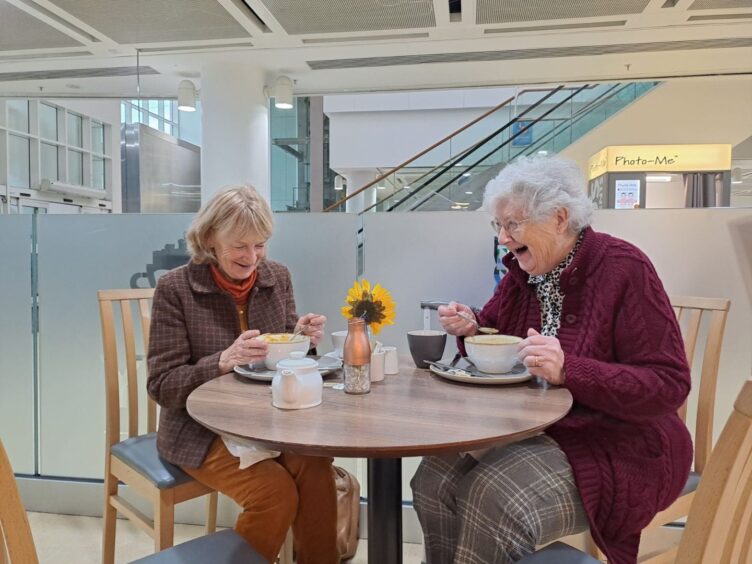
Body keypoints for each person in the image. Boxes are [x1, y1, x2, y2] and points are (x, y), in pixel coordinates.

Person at [411, 156, 692, 564]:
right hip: (538, 431)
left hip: (618, 443)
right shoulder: (524, 275)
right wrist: (471, 327)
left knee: (493, 497)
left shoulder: (623, 268)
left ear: (559, 218)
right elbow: (495, 329)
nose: (503, 238)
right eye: (498, 225)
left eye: (513, 224)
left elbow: (668, 384)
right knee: (432, 479)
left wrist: (569, 370)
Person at [147, 185, 338, 564]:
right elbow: (162, 384)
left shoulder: (276, 277)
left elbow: (284, 358)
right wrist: (221, 361)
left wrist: (302, 340)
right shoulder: (175, 289)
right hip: (198, 430)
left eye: (260, 244)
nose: (252, 257)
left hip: (268, 423)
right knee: (274, 493)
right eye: (240, 246)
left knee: (316, 470)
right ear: (209, 240)